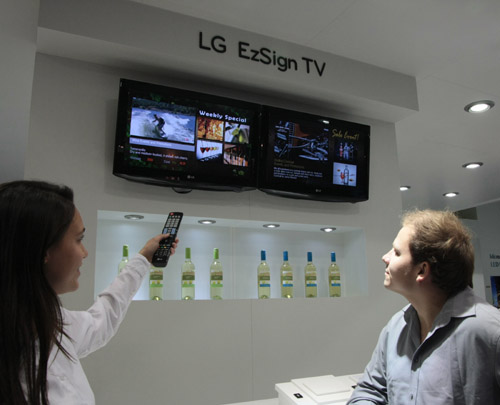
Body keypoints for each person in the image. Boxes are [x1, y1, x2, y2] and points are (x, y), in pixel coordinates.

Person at [0, 180, 178, 405]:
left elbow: (100, 321)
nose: (84, 253)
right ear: (43, 250)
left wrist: (143, 258)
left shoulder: (49, 323)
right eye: (79, 239)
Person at [348, 209, 500, 404]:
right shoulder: (395, 327)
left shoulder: (489, 333)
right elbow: (370, 391)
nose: (385, 257)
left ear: (422, 270)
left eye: (396, 252)